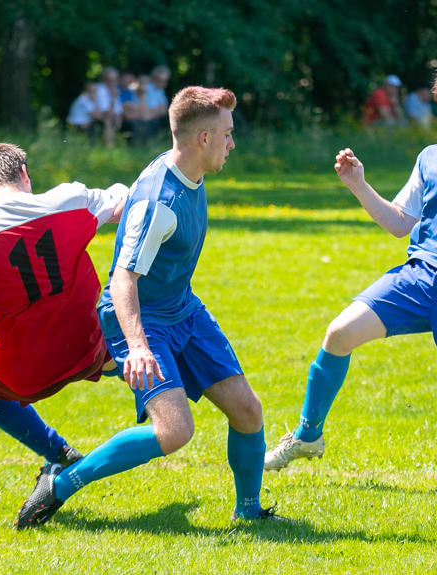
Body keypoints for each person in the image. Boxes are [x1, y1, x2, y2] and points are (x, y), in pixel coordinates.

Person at [265, 48, 437, 504]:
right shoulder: (430, 157)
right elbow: (400, 222)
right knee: (338, 333)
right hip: (421, 276)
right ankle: (307, 436)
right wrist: (358, 184)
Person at [16, 86, 287, 529]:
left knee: (247, 410)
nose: (232, 144)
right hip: (139, 318)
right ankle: (62, 482)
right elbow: (123, 280)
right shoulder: (160, 202)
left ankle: (250, 511)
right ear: (202, 139)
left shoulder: (189, 173)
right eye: (227, 134)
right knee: (174, 430)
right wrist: (139, 348)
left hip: (182, 307)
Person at [0, 143, 128, 471]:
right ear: (24, 174)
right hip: (87, 348)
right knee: (116, 319)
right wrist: (122, 189)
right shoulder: (70, 199)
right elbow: (122, 204)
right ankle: (137, 372)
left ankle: (59, 454)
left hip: (25, 373)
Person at [94, 67, 123, 146]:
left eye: (115, 80)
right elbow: (106, 112)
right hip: (96, 116)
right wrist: (113, 98)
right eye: (109, 80)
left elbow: (118, 111)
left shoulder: (115, 89)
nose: (112, 83)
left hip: (109, 116)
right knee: (108, 121)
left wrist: (118, 117)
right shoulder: (100, 90)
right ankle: (109, 145)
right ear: (103, 79)